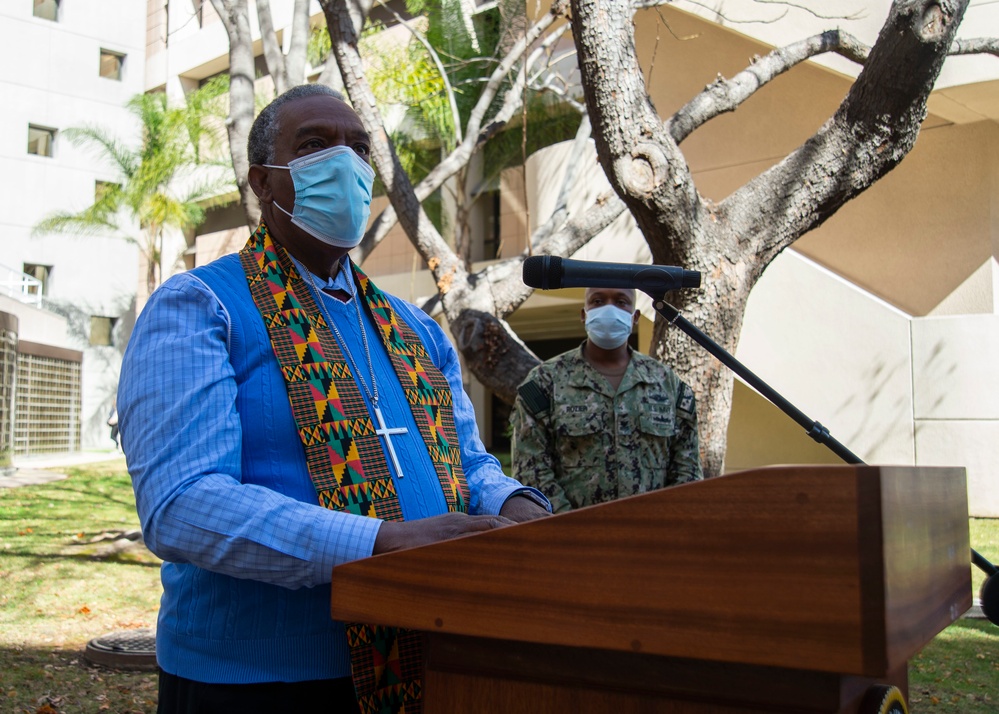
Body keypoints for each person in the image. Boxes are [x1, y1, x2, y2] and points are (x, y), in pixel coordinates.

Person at [117, 84, 550, 714]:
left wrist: (516, 509)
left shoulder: (415, 328)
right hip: (253, 682)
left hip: (426, 653)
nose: (344, 164)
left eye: (359, 148)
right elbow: (181, 504)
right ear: (263, 183)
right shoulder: (200, 307)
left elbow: (467, 464)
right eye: (316, 145)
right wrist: (379, 544)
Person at [510, 285, 702, 514]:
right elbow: (531, 471)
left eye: (621, 302)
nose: (609, 309)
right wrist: (574, 528)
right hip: (570, 538)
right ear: (584, 314)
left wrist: (663, 525)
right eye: (598, 301)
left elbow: (687, 470)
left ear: (635, 317)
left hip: (653, 536)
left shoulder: (668, 384)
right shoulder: (544, 382)